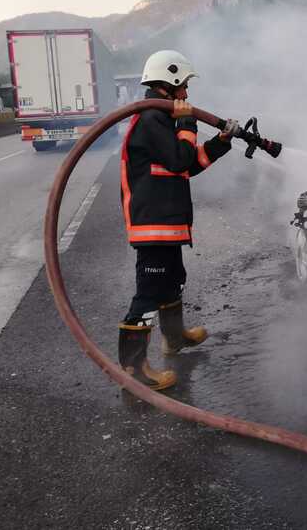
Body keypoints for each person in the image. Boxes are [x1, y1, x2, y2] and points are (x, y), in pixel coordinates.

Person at [117, 50, 238, 390]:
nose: (186, 94)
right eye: (183, 86)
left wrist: (220, 142)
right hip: (153, 224)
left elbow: (188, 164)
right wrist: (187, 124)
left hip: (167, 221)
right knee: (149, 291)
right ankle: (134, 369)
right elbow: (178, 158)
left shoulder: (161, 118)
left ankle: (174, 339)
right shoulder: (152, 119)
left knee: (172, 279)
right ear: (168, 83)